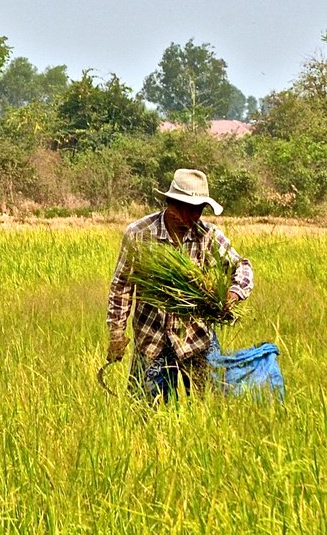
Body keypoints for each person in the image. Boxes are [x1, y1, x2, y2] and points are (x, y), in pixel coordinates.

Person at [107, 168, 253, 400]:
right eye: (190, 209)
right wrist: (116, 333)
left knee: (212, 408)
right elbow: (121, 287)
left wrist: (233, 294)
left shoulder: (207, 235)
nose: (195, 216)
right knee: (144, 412)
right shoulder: (139, 234)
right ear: (172, 203)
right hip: (152, 340)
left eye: (200, 209)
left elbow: (242, 265)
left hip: (197, 339)